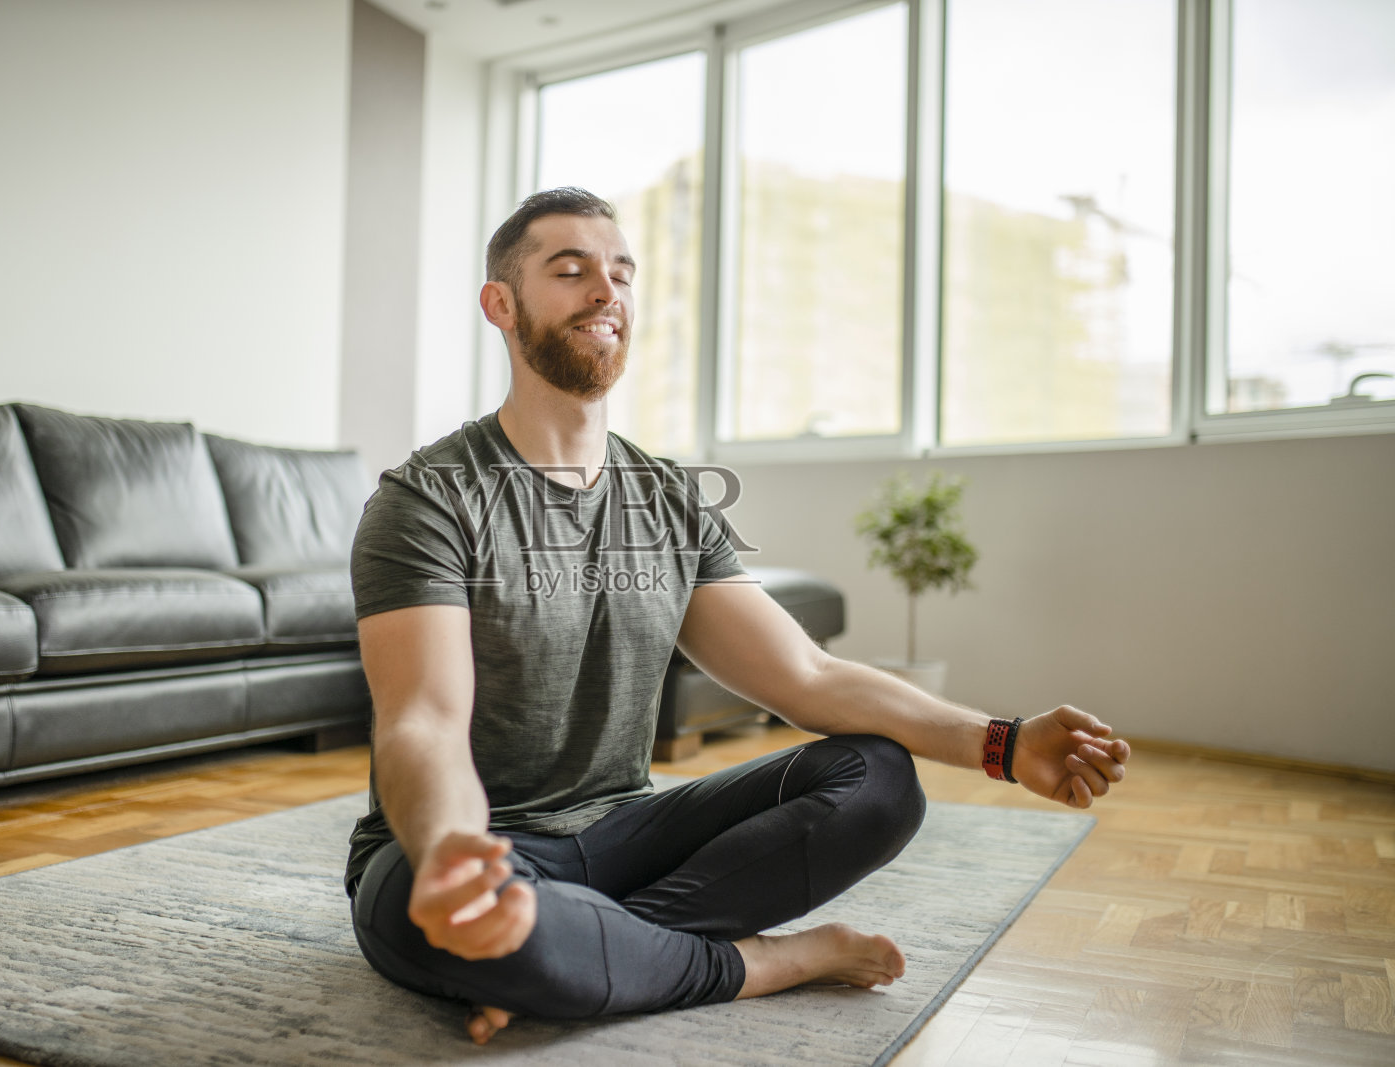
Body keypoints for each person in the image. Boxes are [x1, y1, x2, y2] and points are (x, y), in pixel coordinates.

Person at [346, 187, 1131, 1045]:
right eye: (570, 272)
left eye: (621, 274)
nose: (606, 292)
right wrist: (451, 855)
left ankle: (581, 957)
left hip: (622, 832)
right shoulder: (428, 499)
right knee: (476, 916)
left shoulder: (669, 500)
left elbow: (808, 677)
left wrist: (1004, 744)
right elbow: (423, 720)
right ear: (501, 304)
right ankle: (769, 961)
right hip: (466, 844)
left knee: (878, 779)